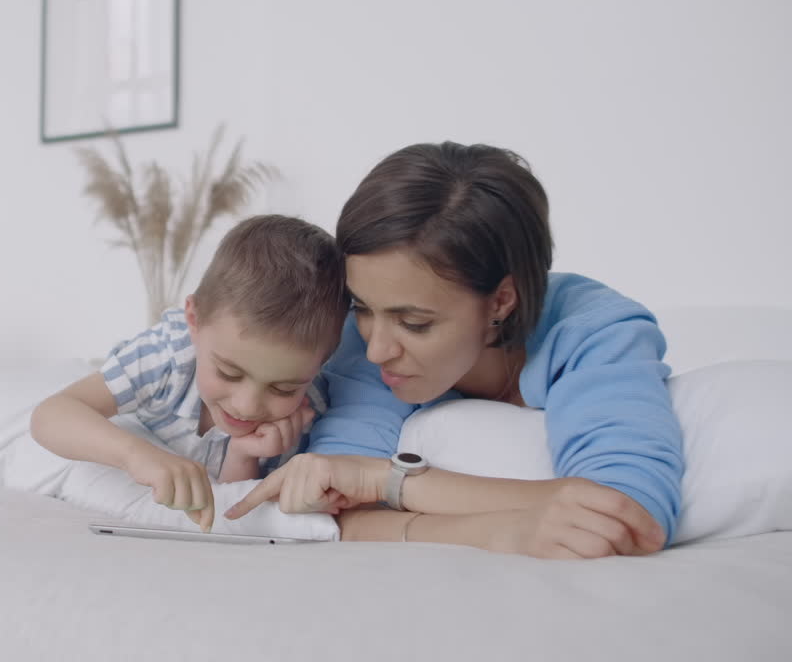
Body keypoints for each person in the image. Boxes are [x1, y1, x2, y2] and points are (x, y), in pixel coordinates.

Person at [225, 142, 684, 560]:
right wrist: (499, 532)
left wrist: (385, 480)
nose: (377, 349)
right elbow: (329, 515)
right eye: (362, 307)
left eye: (414, 323)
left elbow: (629, 516)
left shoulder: (593, 331)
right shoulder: (360, 340)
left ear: (502, 301)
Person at [30, 214, 348, 533]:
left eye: (282, 389)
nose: (248, 405)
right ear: (193, 320)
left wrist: (242, 455)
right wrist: (136, 455)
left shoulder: (307, 413)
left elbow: (230, 517)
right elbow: (51, 415)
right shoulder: (168, 355)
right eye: (229, 373)